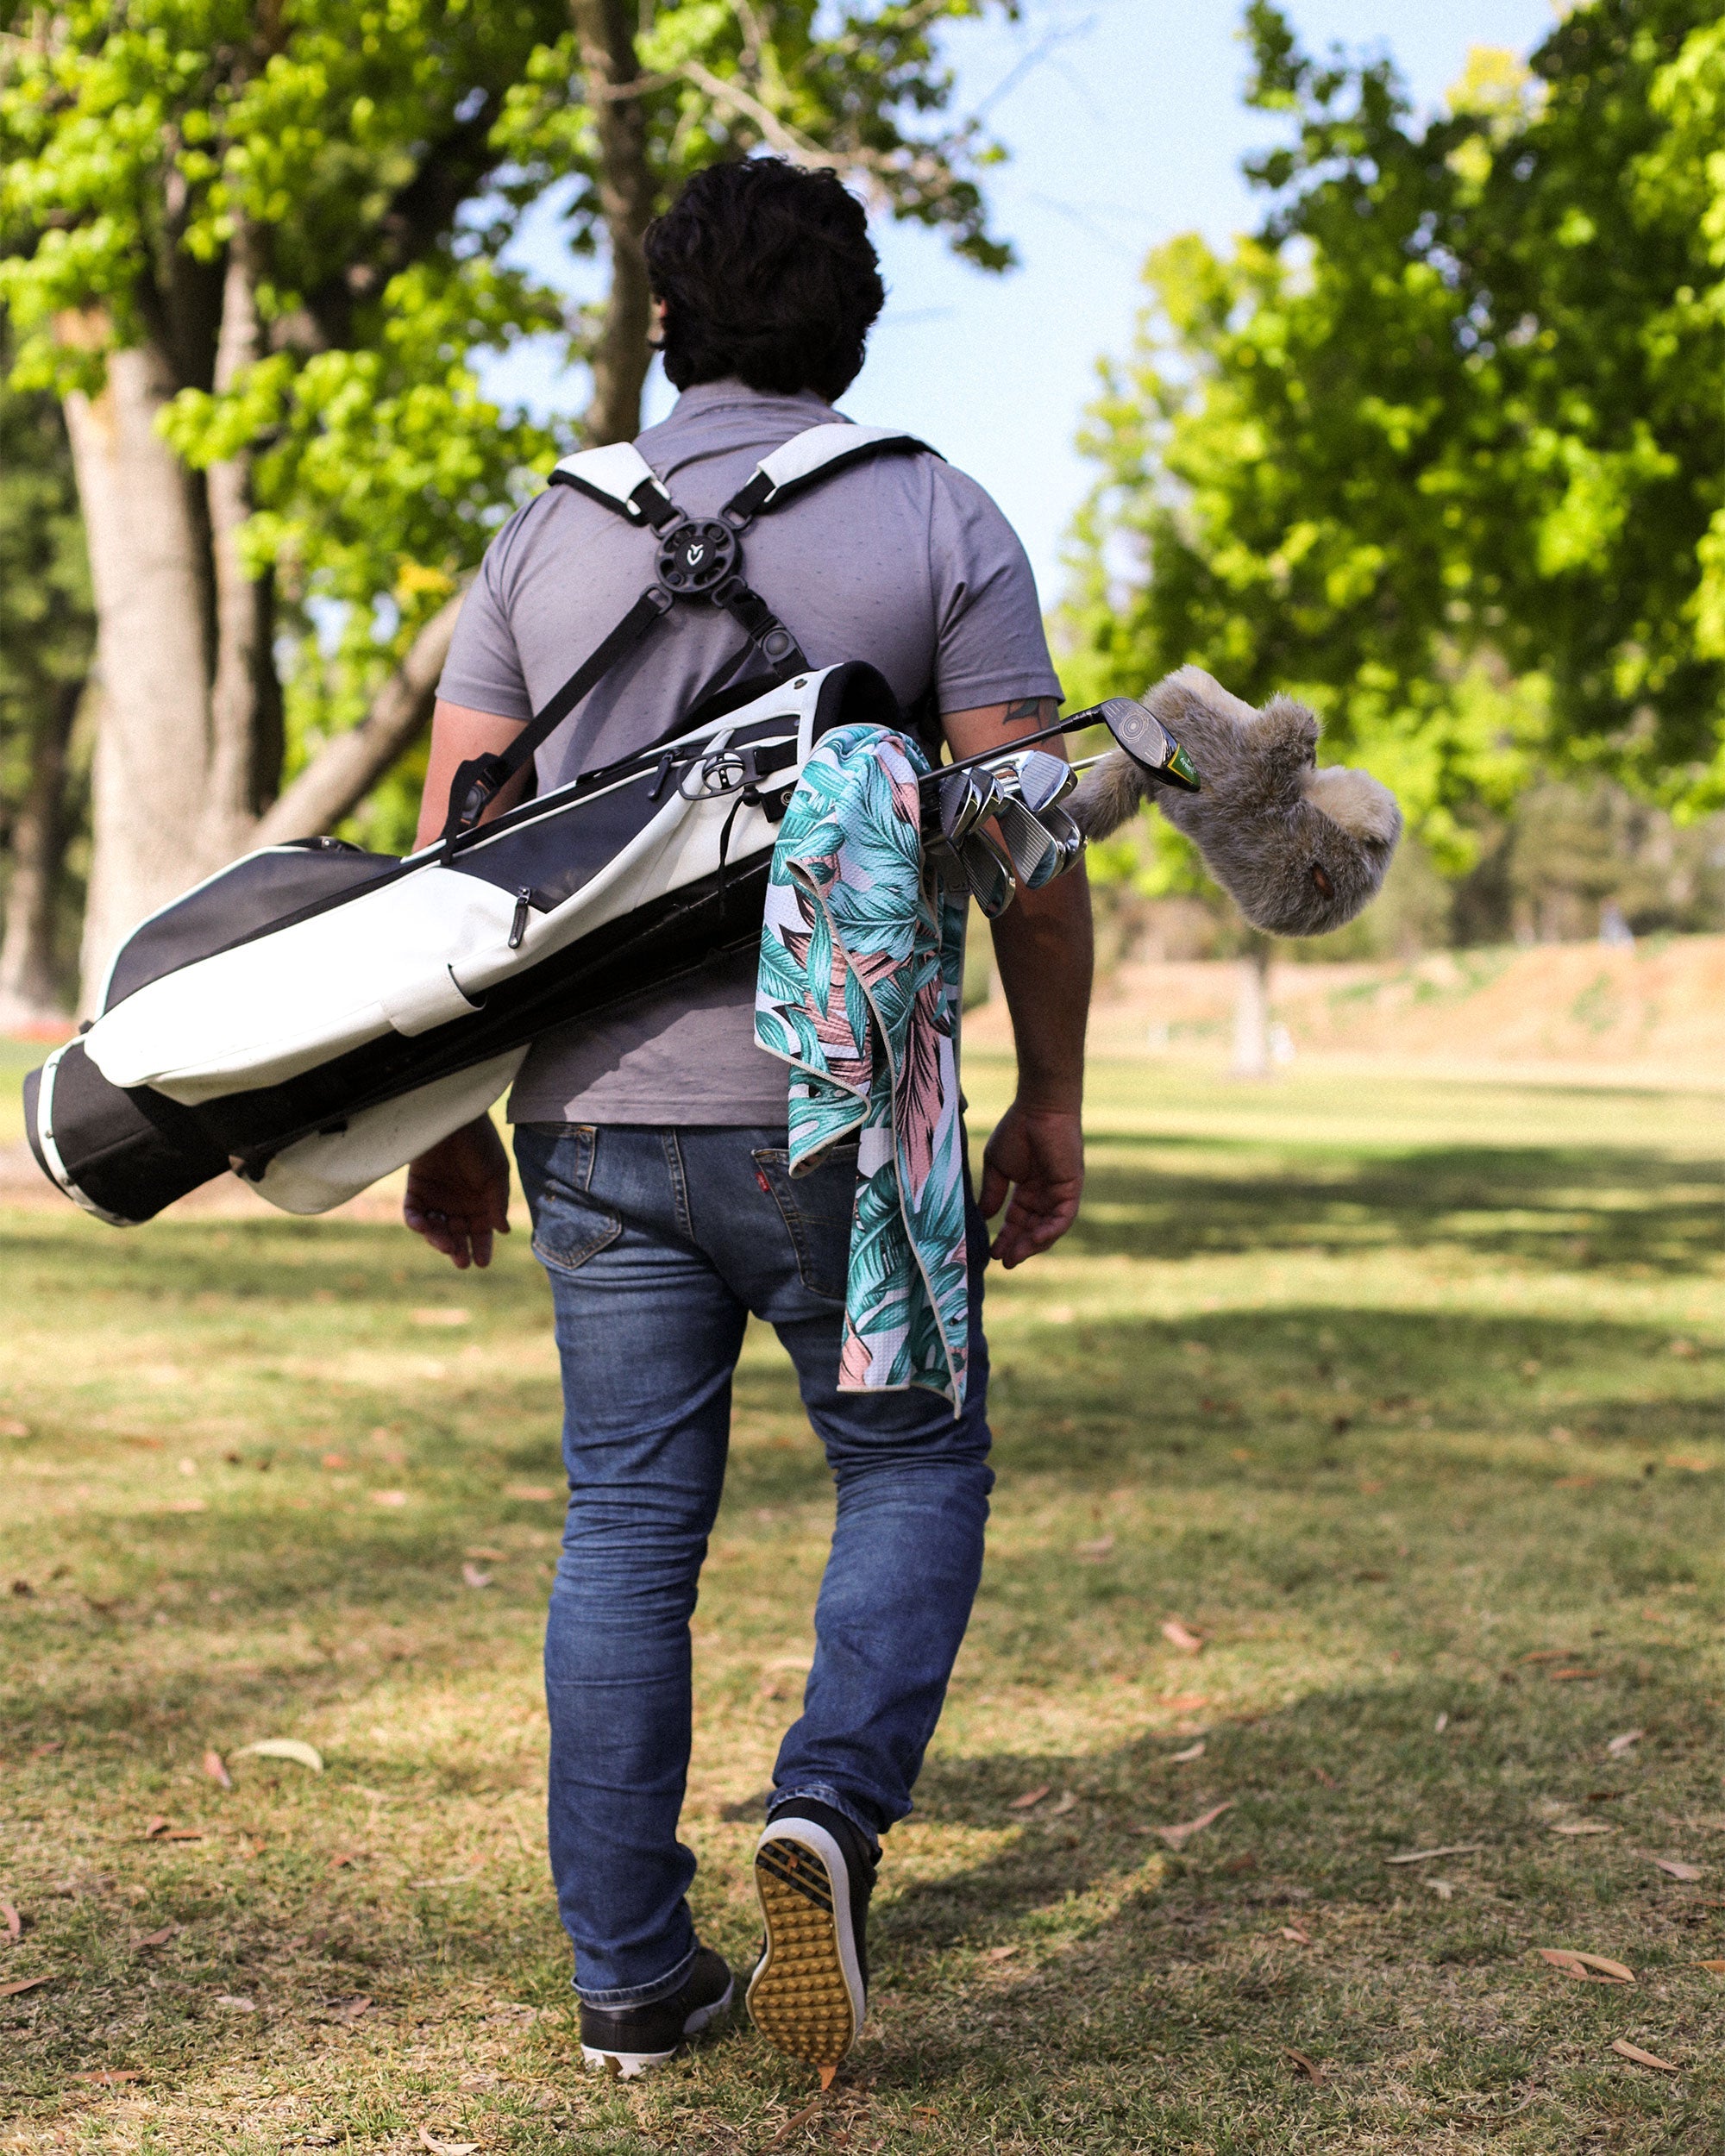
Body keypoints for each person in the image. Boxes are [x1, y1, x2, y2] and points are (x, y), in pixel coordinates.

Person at [401, 157, 1093, 2077]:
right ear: (854, 330)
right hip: (855, 1115)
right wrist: (1054, 1095)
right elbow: (1029, 851)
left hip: (594, 1118)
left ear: (664, 326)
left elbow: (455, 875)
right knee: (911, 1464)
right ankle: (828, 1817)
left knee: (624, 1519)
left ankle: (631, 1971)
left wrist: (444, 1126)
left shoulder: (546, 537)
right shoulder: (936, 513)